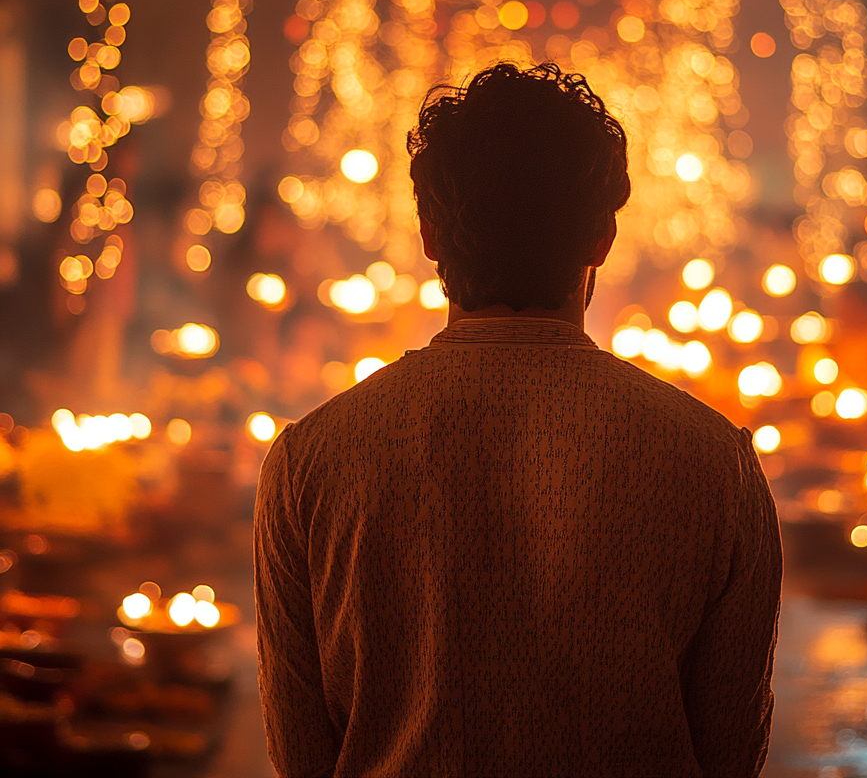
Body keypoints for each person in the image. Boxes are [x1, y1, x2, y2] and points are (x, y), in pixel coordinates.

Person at [254, 63, 782, 778]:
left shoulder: (312, 463)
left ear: (431, 235)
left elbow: (300, 759)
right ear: (601, 240)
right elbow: (730, 757)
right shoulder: (715, 465)